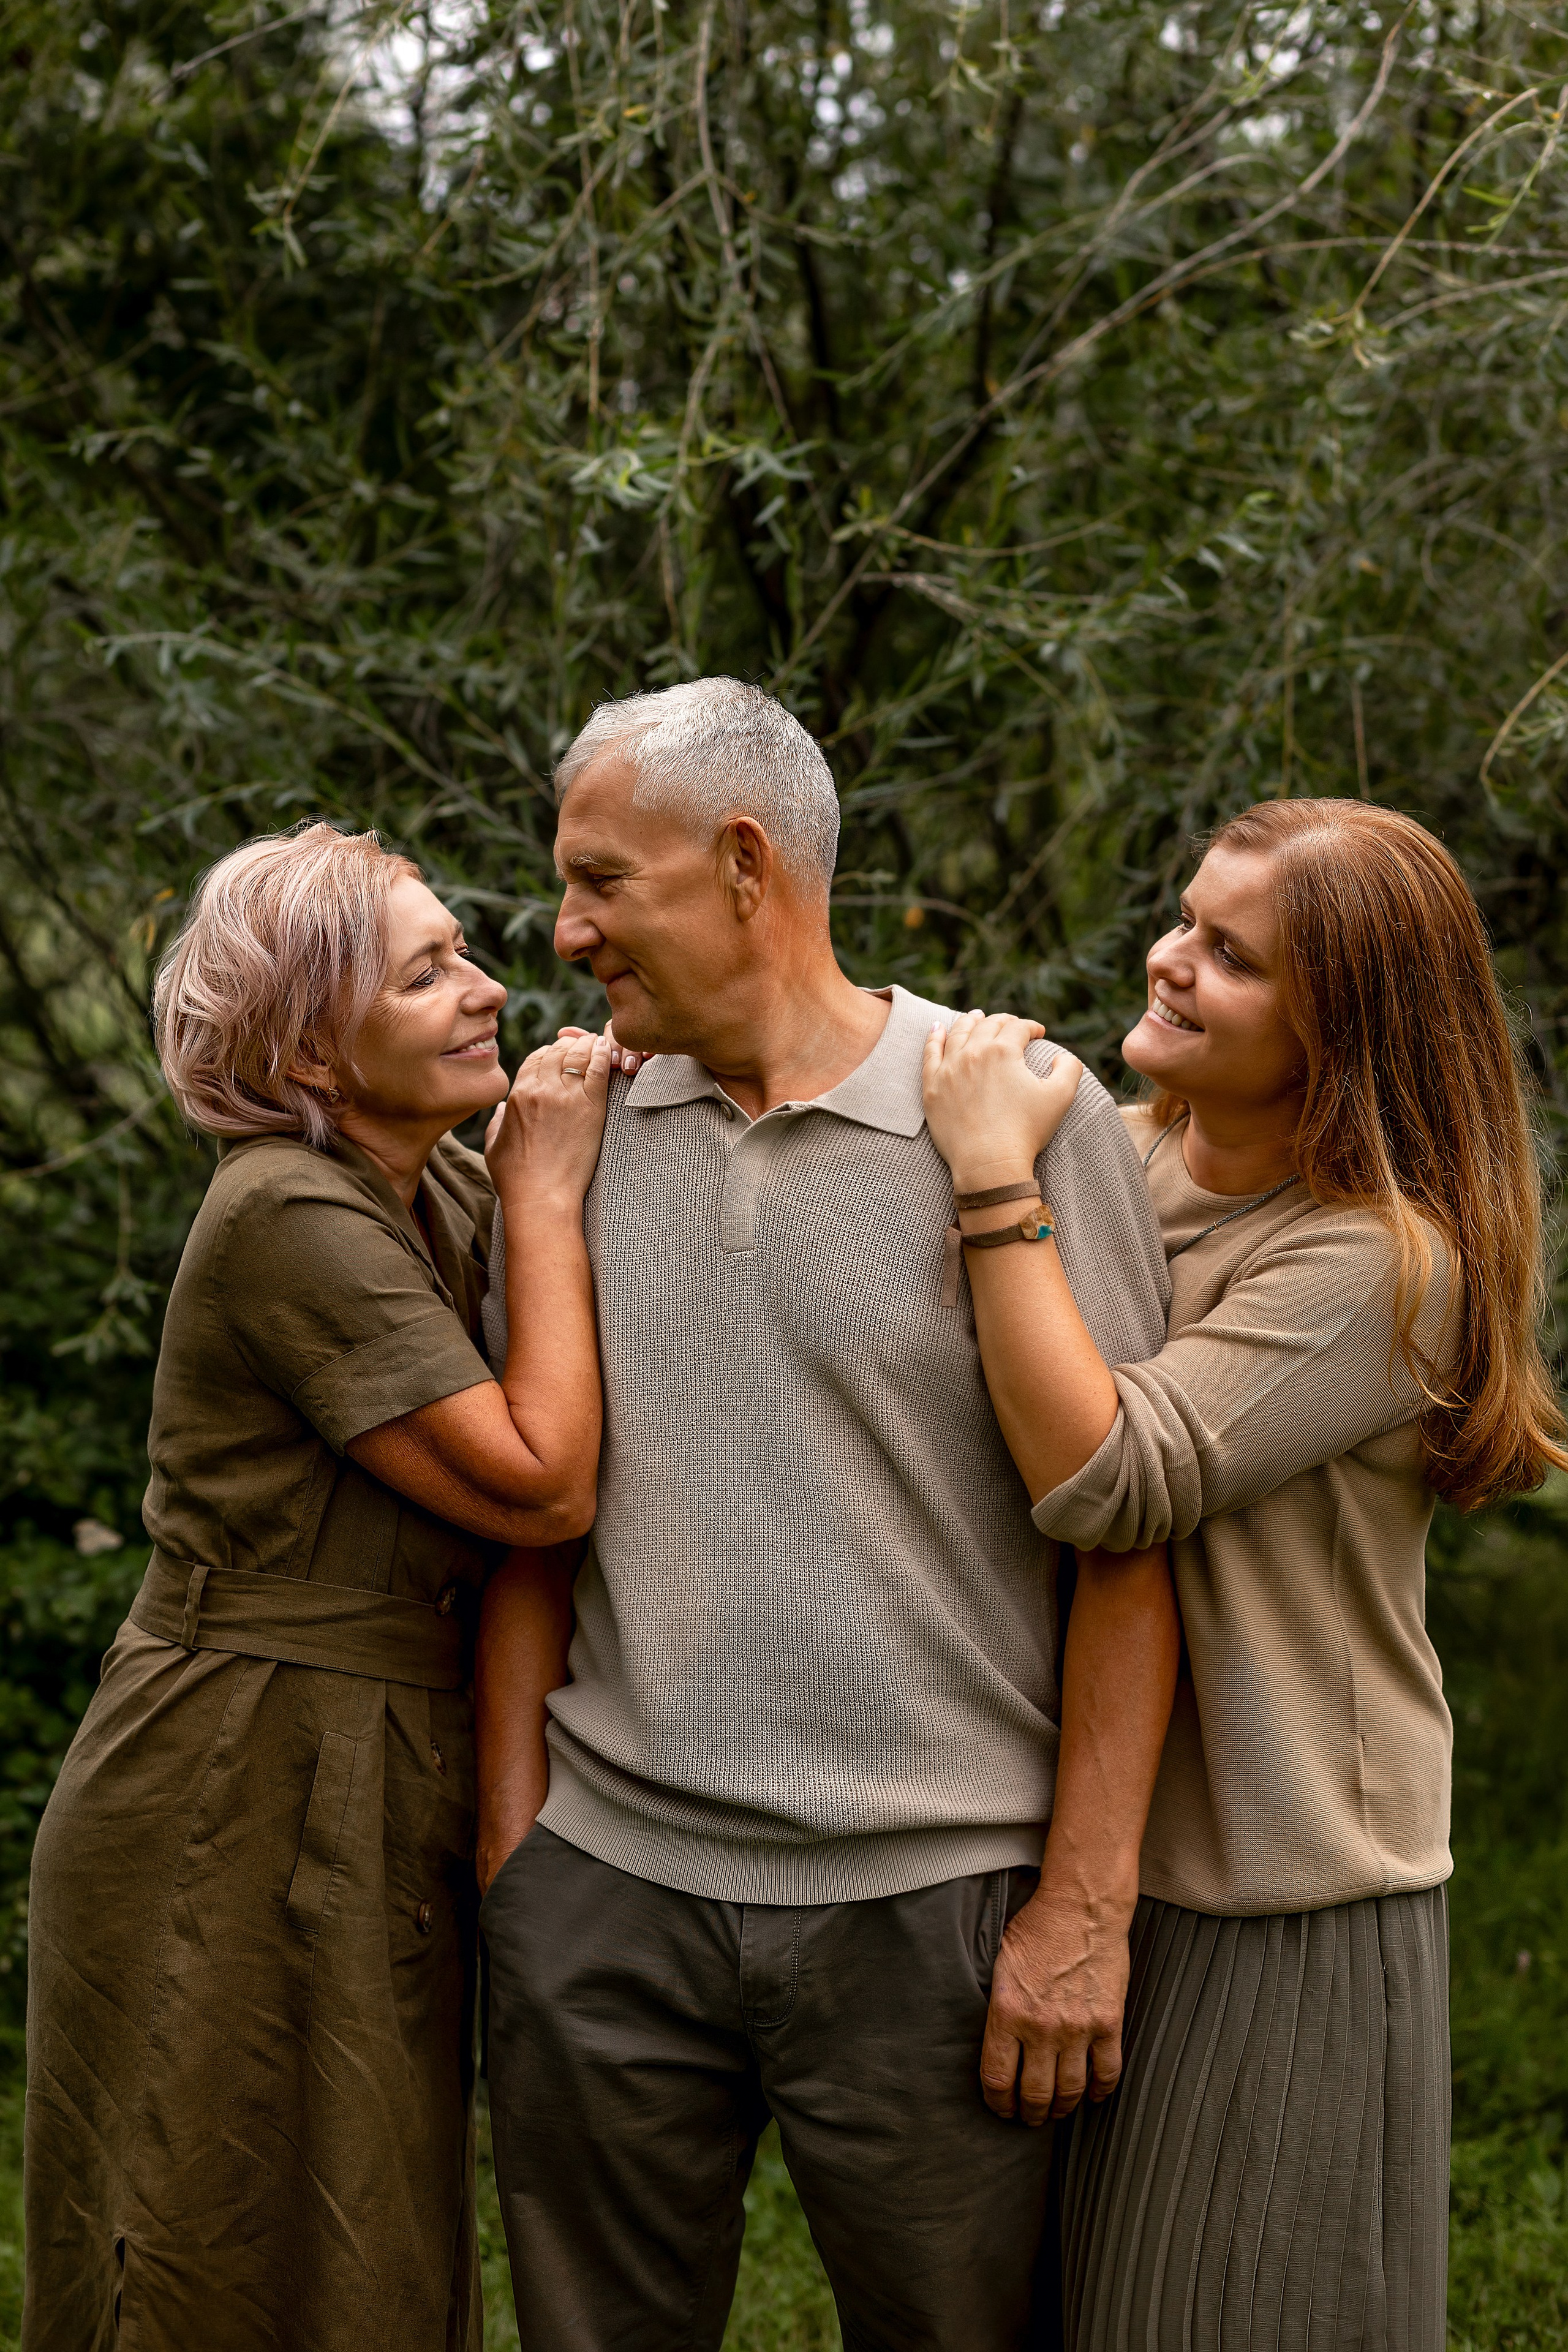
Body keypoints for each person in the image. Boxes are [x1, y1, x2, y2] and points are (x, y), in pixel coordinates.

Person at [476, 677, 1182, 2352]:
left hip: (932, 1911)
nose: (564, 933)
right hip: (611, 1886)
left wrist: (1082, 1908)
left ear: (741, 863)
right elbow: (528, 1510)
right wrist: (520, 1858)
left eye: (600, 881)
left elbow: (1134, 1540)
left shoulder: (1012, 1114)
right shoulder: (567, 1136)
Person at [920, 796, 1568, 2352]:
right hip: (1076, 1849)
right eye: (1183, 918)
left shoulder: (1375, 1259)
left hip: (1274, 1890)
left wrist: (991, 1183)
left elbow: (1109, 1479)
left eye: (1234, 955)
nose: (1170, 962)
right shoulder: (1119, 1160)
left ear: (1344, 1030)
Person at [23, 821, 624, 2352]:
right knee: (202, 2218)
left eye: (460, 953)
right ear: (313, 1043)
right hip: (231, 1771)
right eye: (427, 974)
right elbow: (542, 1480)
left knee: (367, 2214)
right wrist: (547, 1191)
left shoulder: (429, 1190)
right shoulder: (285, 1211)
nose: (487, 988)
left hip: (367, 1753)